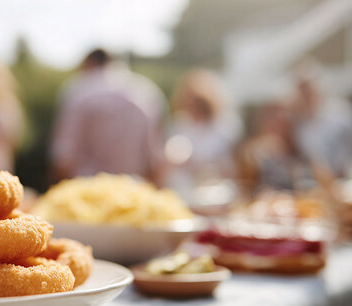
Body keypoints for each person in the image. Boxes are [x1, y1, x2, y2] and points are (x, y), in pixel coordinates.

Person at [50, 49, 167, 183]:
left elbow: (64, 156)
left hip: (86, 191)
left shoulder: (79, 89)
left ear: (89, 63)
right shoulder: (146, 91)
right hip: (132, 189)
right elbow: (155, 158)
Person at [163, 69, 243, 197]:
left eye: (197, 102)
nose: (191, 106)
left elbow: (232, 164)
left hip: (216, 192)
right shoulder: (178, 124)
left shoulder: (225, 125)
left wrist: (200, 166)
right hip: (183, 190)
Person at [289, 68, 352, 177]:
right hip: (314, 180)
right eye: (301, 89)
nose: (305, 93)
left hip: (344, 175)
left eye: (307, 87)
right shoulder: (298, 122)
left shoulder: (340, 112)